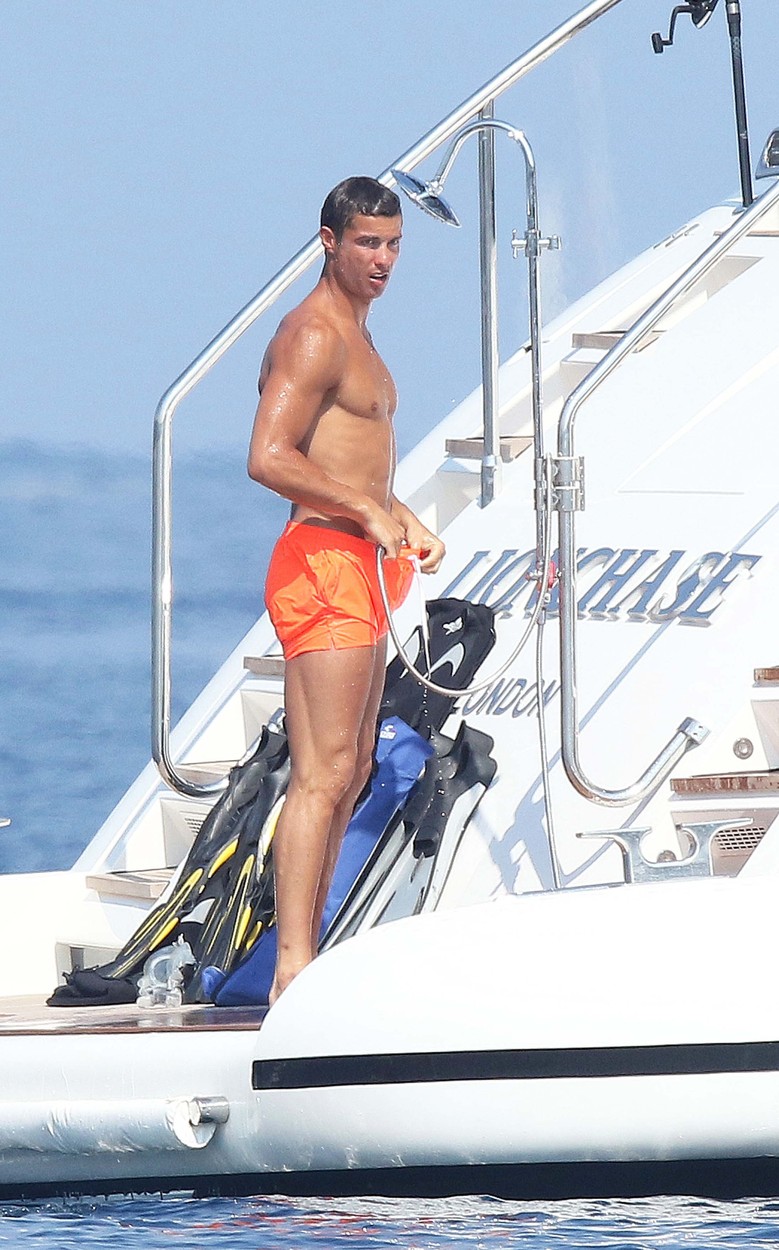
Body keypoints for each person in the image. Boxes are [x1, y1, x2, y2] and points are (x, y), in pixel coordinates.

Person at [247, 175, 445, 1005]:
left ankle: (311, 956)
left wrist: (401, 515)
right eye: (367, 242)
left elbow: (348, 462)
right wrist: (365, 509)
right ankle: (292, 970)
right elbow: (268, 456)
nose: (382, 259)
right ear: (329, 241)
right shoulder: (313, 335)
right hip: (322, 562)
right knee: (322, 773)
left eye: (392, 244)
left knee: (353, 766)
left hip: (359, 561)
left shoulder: (359, 334)